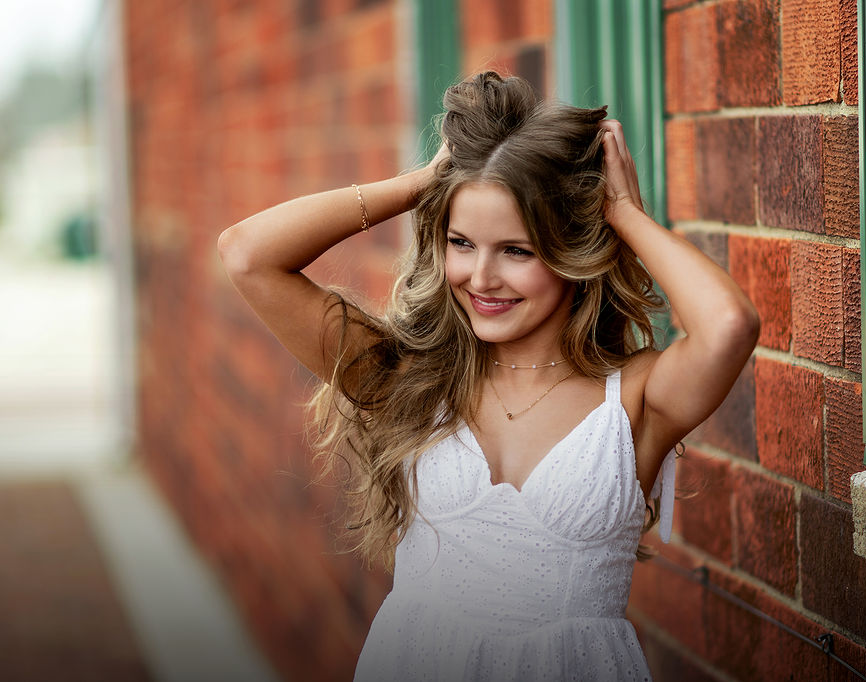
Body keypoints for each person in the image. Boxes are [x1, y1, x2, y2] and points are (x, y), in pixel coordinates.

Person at [218, 72, 759, 681]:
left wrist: (624, 213)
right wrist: (427, 182)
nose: (480, 277)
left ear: (572, 254)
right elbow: (247, 255)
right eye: (461, 243)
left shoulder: (633, 399)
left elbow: (728, 326)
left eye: (517, 250)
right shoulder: (412, 382)